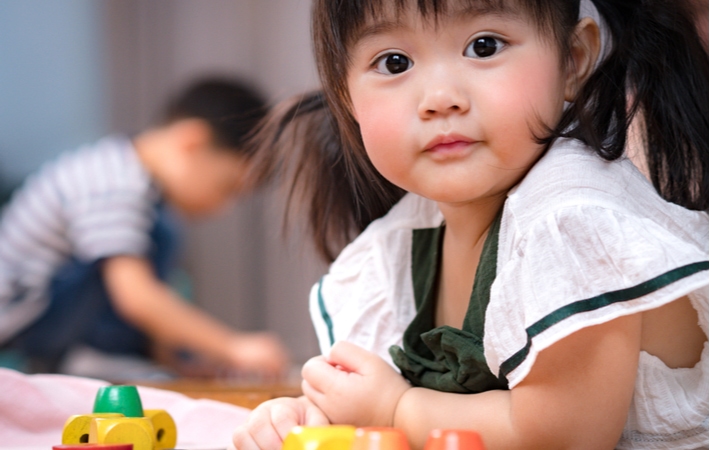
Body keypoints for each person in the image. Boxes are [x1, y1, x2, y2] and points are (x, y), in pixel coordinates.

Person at [233, 0, 708, 449]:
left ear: (573, 59)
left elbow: (565, 437)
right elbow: (388, 404)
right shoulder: (405, 240)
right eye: (395, 63)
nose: (440, 99)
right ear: (347, 95)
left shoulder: (570, 217)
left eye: (485, 46)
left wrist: (393, 409)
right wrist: (313, 417)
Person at [0, 77, 289, 377]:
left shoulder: (131, 175)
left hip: (52, 323)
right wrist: (233, 347)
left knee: (156, 236)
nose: (223, 207)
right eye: (227, 188)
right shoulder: (113, 182)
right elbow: (136, 298)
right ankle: (79, 364)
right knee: (150, 245)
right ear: (192, 142)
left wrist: (178, 363)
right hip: (19, 332)